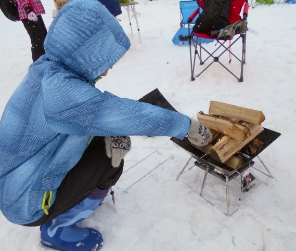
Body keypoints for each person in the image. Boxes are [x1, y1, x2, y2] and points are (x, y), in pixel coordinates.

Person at [0, 0, 212, 250]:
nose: (108, 68)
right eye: (102, 54)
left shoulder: (47, 69)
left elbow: (80, 118)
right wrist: (186, 126)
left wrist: (107, 132)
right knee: (110, 162)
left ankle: (71, 199)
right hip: (27, 201)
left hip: (15, 182)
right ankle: (57, 227)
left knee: (108, 141)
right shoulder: (62, 93)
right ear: (83, 49)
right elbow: (128, 115)